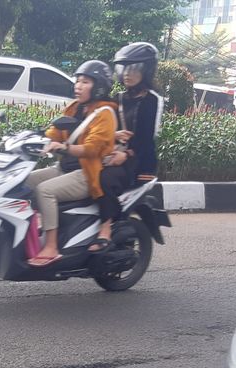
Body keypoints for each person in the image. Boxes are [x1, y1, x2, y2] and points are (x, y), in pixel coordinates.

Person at [25, 60, 117, 267]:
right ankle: (33, 232)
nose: (78, 85)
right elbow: (54, 131)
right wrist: (36, 138)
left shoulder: (105, 114)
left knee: (44, 190)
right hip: (63, 168)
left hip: (86, 174)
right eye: (77, 81)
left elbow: (92, 148)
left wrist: (64, 147)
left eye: (85, 81)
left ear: (99, 86)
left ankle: (51, 246)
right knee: (23, 182)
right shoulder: (74, 107)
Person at [93, 42, 165, 253]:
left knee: (104, 178)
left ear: (147, 70)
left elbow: (146, 137)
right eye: (124, 69)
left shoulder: (152, 101)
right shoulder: (119, 99)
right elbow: (107, 127)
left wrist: (126, 155)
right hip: (116, 154)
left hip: (139, 162)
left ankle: (105, 228)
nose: (127, 74)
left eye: (134, 68)